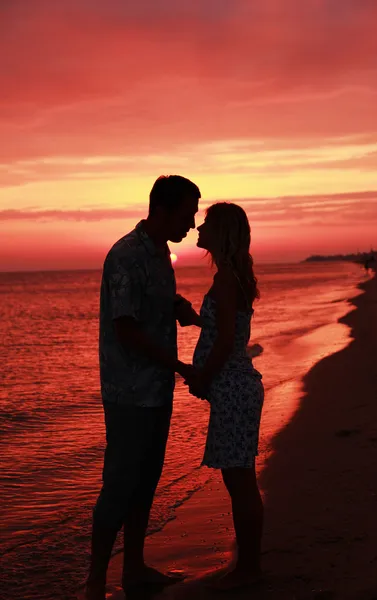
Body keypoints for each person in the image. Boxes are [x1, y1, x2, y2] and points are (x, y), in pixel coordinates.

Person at [86, 175, 201, 600]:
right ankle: (95, 582)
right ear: (163, 210)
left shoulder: (160, 255)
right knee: (119, 483)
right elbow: (126, 329)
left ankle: (133, 568)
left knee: (147, 479)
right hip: (129, 392)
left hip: (157, 389)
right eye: (188, 214)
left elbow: (152, 301)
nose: (191, 224)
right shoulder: (125, 256)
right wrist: (181, 367)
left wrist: (180, 308)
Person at [185, 202, 265, 591]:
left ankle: (250, 568)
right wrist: (196, 318)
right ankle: (249, 564)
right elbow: (225, 330)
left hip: (232, 386)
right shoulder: (231, 278)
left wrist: (202, 378)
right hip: (235, 385)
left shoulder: (226, 281)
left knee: (241, 481)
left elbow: (225, 343)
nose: (198, 231)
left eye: (206, 226)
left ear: (221, 234)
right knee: (240, 478)